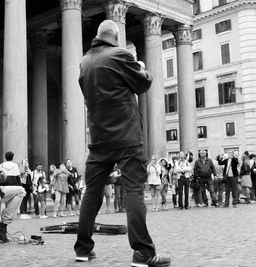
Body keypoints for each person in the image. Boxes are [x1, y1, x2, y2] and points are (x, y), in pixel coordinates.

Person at [74, 20, 170, 266]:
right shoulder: (120, 55)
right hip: (126, 136)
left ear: (98, 36)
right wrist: (141, 67)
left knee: (91, 194)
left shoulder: (85, 62)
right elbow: (143, 83)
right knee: (134, 192)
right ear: (115, 38)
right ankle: (143, 253)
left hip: (99, 138)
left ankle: (83, 250)